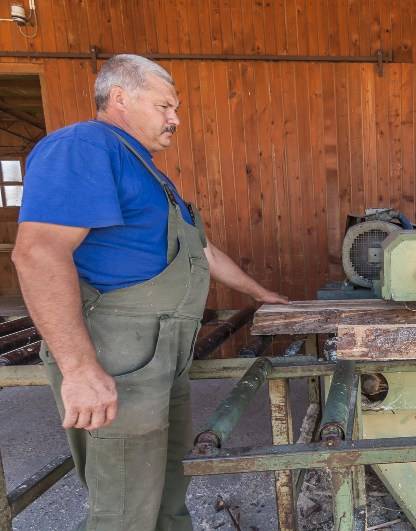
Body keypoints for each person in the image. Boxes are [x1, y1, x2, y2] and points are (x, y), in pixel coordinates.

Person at [12, 54, 288, 530]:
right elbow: (37, 254)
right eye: (165, 106)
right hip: (119, 352)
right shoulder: (85, 146)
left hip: (164, 353)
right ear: (120, 97)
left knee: (167, 488)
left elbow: (204, 251)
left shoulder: (148, 171)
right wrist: (79, 368)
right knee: (125, 505)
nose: (175, 118)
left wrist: (264, 294)